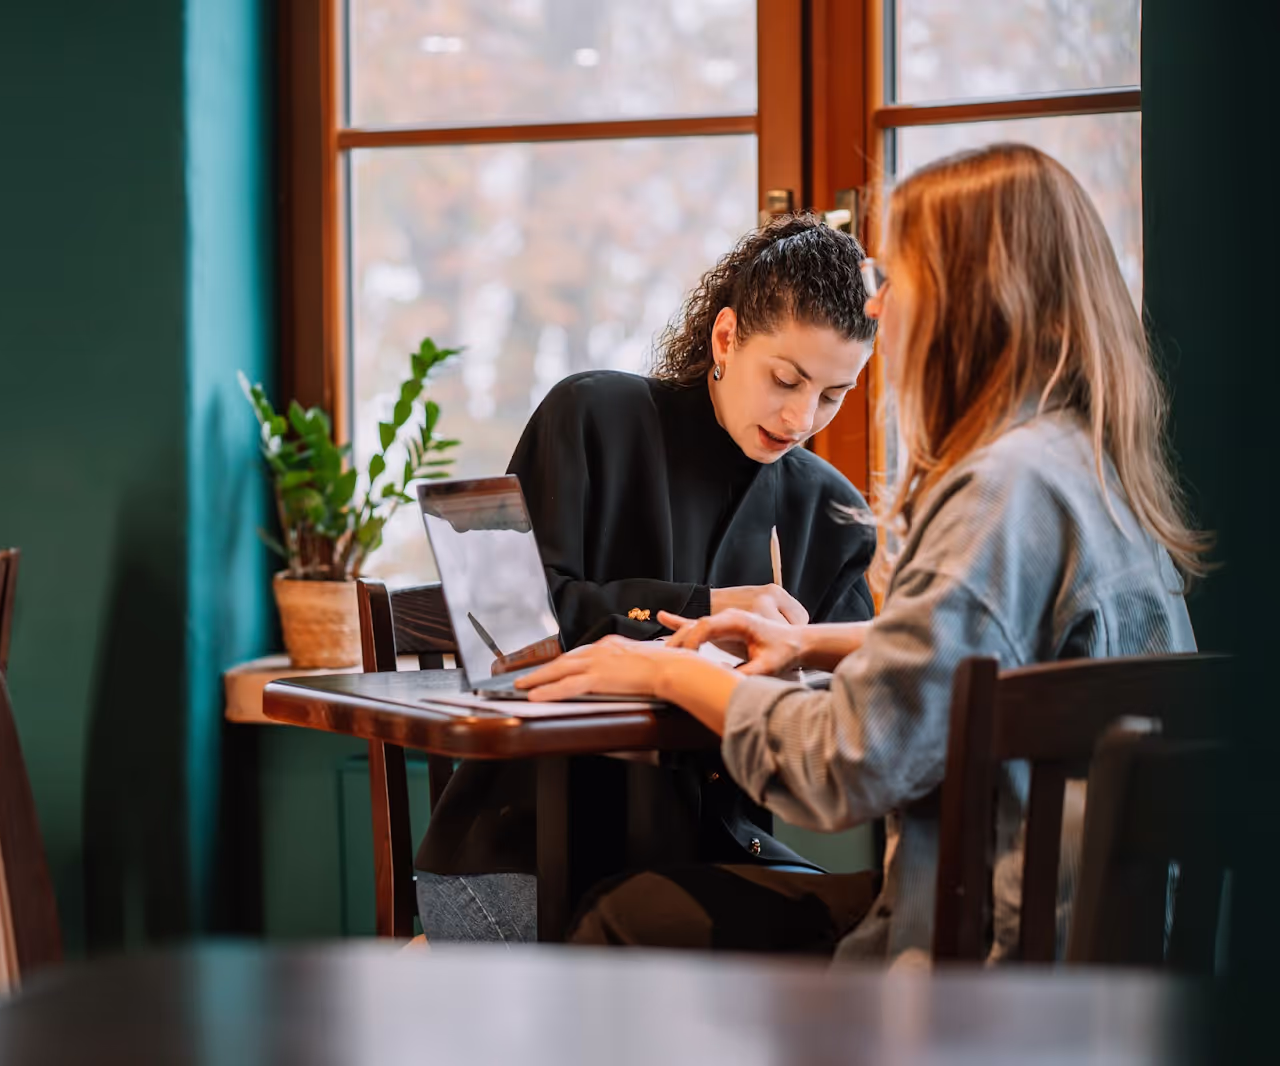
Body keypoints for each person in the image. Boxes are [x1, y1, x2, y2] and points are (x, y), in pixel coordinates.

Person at [517, 143, 1206, 964]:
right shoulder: (1095, 475)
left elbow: (845, 766)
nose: (883, 309)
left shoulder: (1000, 491)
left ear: (969, 300)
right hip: (1107, 941)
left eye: (903, 279)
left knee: (623, 917)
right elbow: (984, 660)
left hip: (983, 947)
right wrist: (818, 641)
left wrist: (671, 671)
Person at [416, 214, 880, 943]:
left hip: (711, 856)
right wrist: (704, 609)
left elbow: (856, 706)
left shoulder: (830, 508)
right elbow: (504, 632)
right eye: (786, 379)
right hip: (519, 852)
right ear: (726, 339)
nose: (800, 417)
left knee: (864, 956)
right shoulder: (592, 414)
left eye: (833, 395)